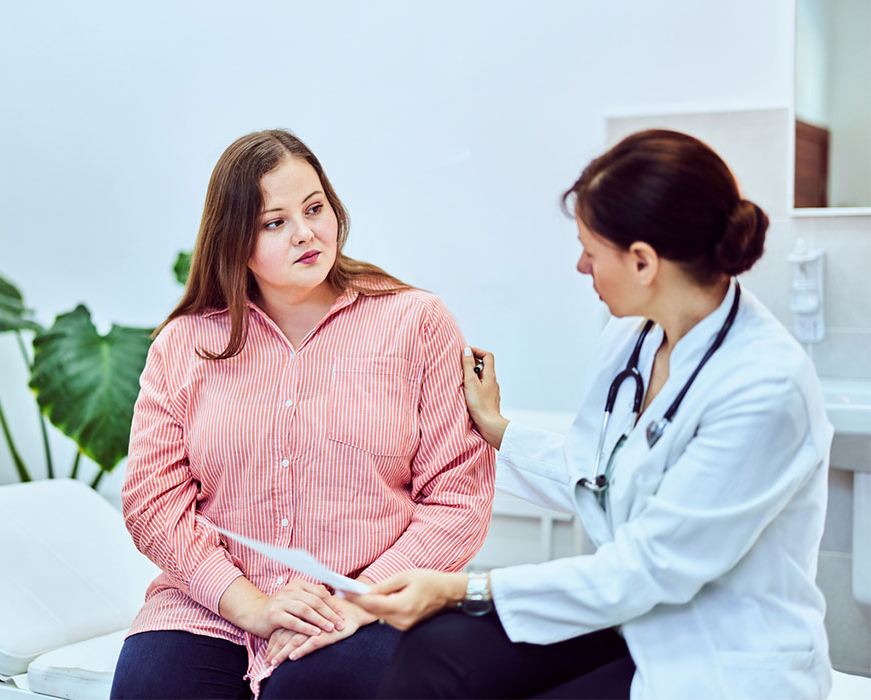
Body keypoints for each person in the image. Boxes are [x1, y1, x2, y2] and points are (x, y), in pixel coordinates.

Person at [350, 129, 834, 699]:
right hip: (636, 618)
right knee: (438, 651)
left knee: (463, 633)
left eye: (589, 249)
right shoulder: (631, 339)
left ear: (643, 261)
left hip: (715, 650)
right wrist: (495, 429)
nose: (581, 266)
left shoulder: (765, 388)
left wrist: (459, 588)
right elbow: (601, 473)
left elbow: (647, 566)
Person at [110, 129, 495, 700]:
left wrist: (356, 603)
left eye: (315, 208)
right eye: (274, 222)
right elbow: (153, 501)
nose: (306, 233)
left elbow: (457, 501)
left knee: (315, 689)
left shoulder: (417, 322)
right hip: (210, 607)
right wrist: (253, 606)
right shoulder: (184, 345)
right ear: (234, 240)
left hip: (365, 605)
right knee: (151, 688)